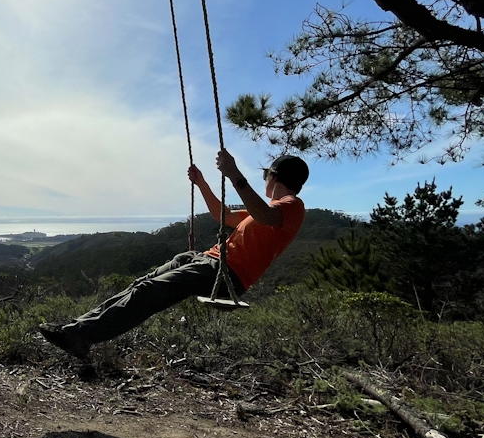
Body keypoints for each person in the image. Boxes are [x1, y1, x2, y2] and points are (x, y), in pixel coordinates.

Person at [40, 150, 309, 361]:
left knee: (148, 291)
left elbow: (265, 216)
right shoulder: (267, 207)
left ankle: (80, 337)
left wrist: (234, 174)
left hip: (225, 273)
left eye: (265, 175)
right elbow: (224, 216)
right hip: (207, 261)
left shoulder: (292, 206)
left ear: (273, 176)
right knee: (142, 284)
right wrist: (201, 183)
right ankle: (74, 329)